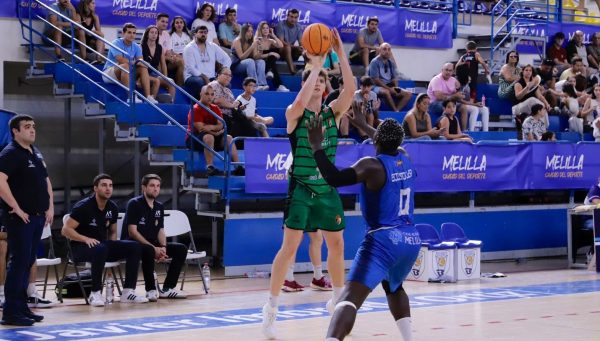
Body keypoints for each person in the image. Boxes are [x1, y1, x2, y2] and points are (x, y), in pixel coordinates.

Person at [261, 28, 356, 340]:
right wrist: (315, 64)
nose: (318, 83)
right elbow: (300, 103)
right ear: (306, 83)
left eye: (322, 81)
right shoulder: (294, 114)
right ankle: (271, 310)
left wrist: (339, 53)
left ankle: (338, 302)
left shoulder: (332, 113)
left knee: (338, 245)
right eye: (314, 80)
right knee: (290, 248)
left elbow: (351, 89)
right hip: (301, 187)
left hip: (326, 189)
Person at [304, 110, 421, 341]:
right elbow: (386, 139)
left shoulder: (372, 166)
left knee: (348, 298)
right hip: (410, 239)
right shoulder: (405, 156)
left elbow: (335, 179)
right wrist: (364, 126)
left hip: (384, 239)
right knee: (394, 287)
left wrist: (317, 146)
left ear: (376, 140)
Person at [61, 174, 148, 307]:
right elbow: (65, 230)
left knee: (134, 246)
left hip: (101, 247)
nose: (108, 188)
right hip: (79, 248)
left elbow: (112, 232)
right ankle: (95, 293)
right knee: (101, 248)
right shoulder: (83, 206)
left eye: (110, 185)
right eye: (104, 185)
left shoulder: (112, 207)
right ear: (95, 188)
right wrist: (85, 239)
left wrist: (112, 254)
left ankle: (128, 291)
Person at [0, 114, 53, 325]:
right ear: (15, 131)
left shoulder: (35, 152)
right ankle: (11, 312)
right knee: (19, 263)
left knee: (27, 262)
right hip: (21, 219)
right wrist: (16, 207)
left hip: (38, 217)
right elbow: (1, 181)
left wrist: (50, 206)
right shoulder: (11, 152)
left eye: (33, 126)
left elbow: (46, 180)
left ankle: (22, 308)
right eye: (27, 127)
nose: (32, 130)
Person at [124, 174, 187, 301]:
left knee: (181, 249)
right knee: (148, 249)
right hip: (133, 244)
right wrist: (154, 248)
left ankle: (167, 288)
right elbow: (132, 232)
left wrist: (163, 247)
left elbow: (160, 230)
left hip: (152, 244)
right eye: (152, 185)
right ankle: (151, 289)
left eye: (158, 186)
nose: (156, 189)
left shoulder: (159, 206)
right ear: (144, 187)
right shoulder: (134, 204)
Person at [186, 85, 245, 176]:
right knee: (209, 137)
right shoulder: (195, 109)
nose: (210, 97)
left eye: (212, 94)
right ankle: (210, 167)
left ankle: (238, 167)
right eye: (207, 94)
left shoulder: (215, 108)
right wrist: (215, 131)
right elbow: (200, 128)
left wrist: (211, 128)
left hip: (212, 136)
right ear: (201, 94)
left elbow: (221, 124)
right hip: (194, 138)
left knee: (229, 138)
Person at [102, 23, 157, 104]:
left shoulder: (137, 47)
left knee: (143, 67)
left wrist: (140, 65)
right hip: (109, 74)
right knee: (125, 66)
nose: (132, 35)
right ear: (123, 33)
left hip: (126, 73)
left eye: (134, 33)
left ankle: (148, 97)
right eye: (129, 32)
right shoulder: (116, 42)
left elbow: (140, 62)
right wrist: (136, 63)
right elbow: (120, 60)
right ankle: (130, 97)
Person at [183, 25, 231, 100]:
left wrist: (223, 72)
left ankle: (221, 108)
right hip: (193, 77)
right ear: (195, 34)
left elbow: (227, 59)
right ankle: (200, 105)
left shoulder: (212, 46)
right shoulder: (189, 48)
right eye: (201, 32)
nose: (203, 34)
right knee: (199, 82)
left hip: (211, 77)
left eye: (205, 32)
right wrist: (204, 77)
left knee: (226, 83)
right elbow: (190, 68)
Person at [368, 43, 411, 112]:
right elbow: (376, 80)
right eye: (384, 49)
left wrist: (396, 88)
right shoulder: (374, 62)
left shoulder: (391, 62)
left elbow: (394, 78)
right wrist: (389, 89)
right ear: (380, 50)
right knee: (386, 92)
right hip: (374, 86)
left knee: (408, 94)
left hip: (388, 85)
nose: (387, 51)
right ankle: (394, 110)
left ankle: (397, 110)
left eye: (389, 49)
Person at [140, 25, 176, 102]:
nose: (154, 34)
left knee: (171, 82)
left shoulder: (160, 47)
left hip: (155, 73)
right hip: (145, 73)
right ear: (147, 34)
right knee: (157, 80)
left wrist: (165, 77)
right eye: (152, 32)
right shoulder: (141, 46)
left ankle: (170, 103)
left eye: (156, 33)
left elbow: (163, 64)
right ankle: (150, 100)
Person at [231, 23, 269, 91]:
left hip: (248, 65)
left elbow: (255, 57)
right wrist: (252, 47)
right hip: (236, 66)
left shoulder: (252, 41)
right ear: (244, 32)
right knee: (250, 61)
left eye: (251, 31)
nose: (250, 33)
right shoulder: (237, 41)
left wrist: (260, 50)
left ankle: (262, 84)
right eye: (248, 31)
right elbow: (241, 57)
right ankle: (255, 85)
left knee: (261, 61)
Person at [256, 21, 289, 92]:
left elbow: (281, 45)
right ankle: (279, 85)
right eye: (263, 28)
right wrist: (269, 53)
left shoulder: (270, 41)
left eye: (267, 28)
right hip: (260, 65)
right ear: (260, 30)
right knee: (272, 56)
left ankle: (270, 71)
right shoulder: (257, 40)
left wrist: (273, 35)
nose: (265, 30)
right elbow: (256, 56)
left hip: (268, 63)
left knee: (272, 57)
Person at [455, 64, 490, 132]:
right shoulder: (456, 82)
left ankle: (486, 131)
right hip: (458, 104)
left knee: (485, 109)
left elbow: (469, 98)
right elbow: (459, 100)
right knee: (474, 109)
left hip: (467, 104)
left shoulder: (468, 82)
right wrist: (474, 104)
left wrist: (474, 103)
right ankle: (471, 131)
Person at [275, 9, 304, 74]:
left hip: (292, 52)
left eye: (295, 17)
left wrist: (302, 48)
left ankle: (308, 69)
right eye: (291, 17)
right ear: (287, 16)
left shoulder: (299, 26)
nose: (293, 19)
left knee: (303, 49)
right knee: (287, 47)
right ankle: (292, 71)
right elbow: (281, 42)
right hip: (281, 51)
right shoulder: (281, 24)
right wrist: (296, 47)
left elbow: (301, 42)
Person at [168, 16, 191, 86]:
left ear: (183, 24)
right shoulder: (170, 35)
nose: (179, 24)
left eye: (181, 22)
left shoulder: (187, 35)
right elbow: (170, 51)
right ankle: (180, 86)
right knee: (182, 61)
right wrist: (181, 56)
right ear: (174, 25)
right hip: (175, 58)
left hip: (187, 56)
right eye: (177, 23)